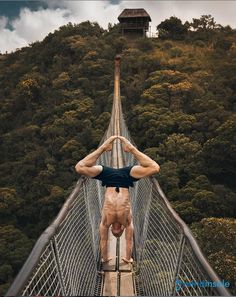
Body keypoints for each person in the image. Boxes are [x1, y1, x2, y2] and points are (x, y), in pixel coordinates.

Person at [75, 135, 160, 263]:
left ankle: (104, 147)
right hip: (126, 178)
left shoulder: (105, 222)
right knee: (154, 168)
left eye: (114, 232)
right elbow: (128, 240)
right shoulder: (127, 221)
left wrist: (104, 258)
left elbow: (104, 240)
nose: (115, 231)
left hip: (108, 178)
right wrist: (127, 258)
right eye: (118, 232)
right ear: (122, 229)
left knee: (80, 167)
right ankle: (130, 148)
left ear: (112, 229)